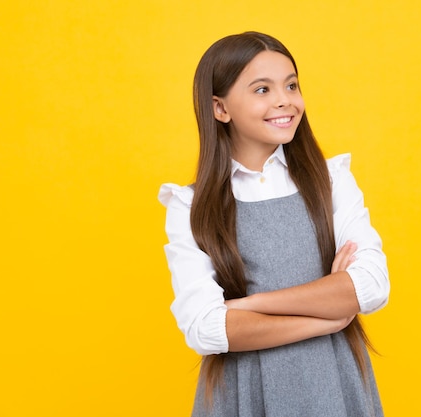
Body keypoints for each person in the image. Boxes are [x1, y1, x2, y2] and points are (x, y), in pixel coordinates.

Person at [158, 31, 390, 417]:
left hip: (332, 384)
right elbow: (206, 328)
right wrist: (329, 318)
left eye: (291, 85)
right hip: (243, 393)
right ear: (220, 108)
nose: (285, 99)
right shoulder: (190, 206)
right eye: (262, 89)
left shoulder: (331, 181)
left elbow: (370, 286)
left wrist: (250, 306)